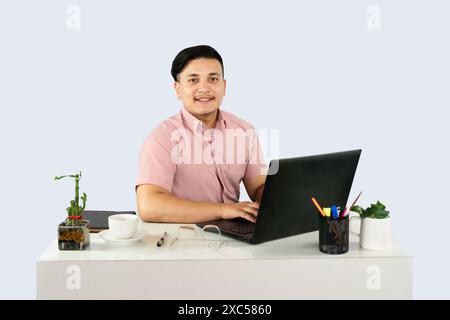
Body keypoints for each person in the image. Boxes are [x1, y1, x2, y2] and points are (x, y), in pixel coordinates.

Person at [135, 45, 267, 223]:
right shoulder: (162, 137)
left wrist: (278, 194)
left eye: (213, 79)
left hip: (234, 237)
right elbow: (149, 205)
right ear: (177, 89)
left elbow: (257, 186)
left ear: (224, 86)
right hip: (181, 238)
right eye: (193, 80)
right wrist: (222, 210)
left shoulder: (244, 131)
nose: (204, 88)